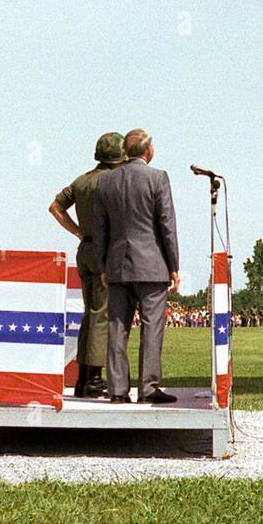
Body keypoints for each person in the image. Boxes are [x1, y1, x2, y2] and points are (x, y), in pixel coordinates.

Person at [93, 128, 180, 404]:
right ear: (148, 150)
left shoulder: (106, 182)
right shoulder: (158, 178)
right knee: (151, 327)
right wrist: (174, 265)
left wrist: (103, 265)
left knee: (117, 328)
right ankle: (148, 387)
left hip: (118, 265)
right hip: (152, 265)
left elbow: (101, 229)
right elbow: (166, 224)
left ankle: (118, 390)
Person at [49, 131, 127, 398]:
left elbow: (55, 207)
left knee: (91, 312)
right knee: (102, 314)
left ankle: (84, 378)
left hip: (86, 248)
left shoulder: (82, 181)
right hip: (107, 250)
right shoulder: (115, 181)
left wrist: (78, 232)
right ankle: (93, 378)